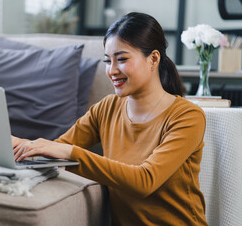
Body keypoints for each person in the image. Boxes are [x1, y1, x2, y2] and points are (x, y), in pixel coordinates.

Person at [13, 12, 208, 225]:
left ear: (153, 59)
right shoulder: (107, 108)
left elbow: (145, 180)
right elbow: (53, 150)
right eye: (108, 60)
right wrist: (14, 144)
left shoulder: (187, 116)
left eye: (122, 59)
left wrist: (70, 152)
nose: (112, 70)